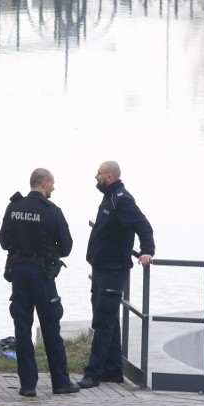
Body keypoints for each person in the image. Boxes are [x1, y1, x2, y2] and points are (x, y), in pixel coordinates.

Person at [0, 168, 81, 397]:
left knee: (22, 329)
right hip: (42, 276)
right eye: (53, 184)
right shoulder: (52, 211)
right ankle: (60, 382)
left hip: (18, 274)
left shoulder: (13, 207)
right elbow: (66, 248)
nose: (54, 188)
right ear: (44, 183)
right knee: (51, 328)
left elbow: (4, 242)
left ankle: (28, 385)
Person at [77, 161, 155, 389]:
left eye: (99, 173)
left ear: (109, 176)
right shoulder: (109, 196)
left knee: (102, 321)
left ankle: (92, 374)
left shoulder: (122, 199)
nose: (96, 176)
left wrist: (147, 251)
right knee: (109, 320)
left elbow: (143, 225)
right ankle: (113, 370)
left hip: (113, 270)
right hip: (101, 268)